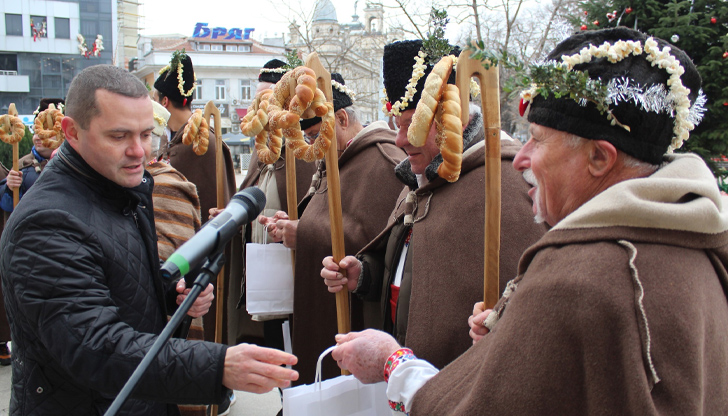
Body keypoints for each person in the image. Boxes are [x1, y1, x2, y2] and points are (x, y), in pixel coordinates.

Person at [331, 28, 728, 415]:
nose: (521, 158)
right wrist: (513, 338)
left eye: (537, 140)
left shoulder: (581, 277)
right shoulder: (691, 247)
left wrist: (392, 362)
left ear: (600, 159)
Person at [0, 64, 298, 416]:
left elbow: (119, 284)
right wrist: (218, 366)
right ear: (72, 132)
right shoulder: (46, 222)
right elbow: (94, 347)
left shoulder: (123, 191)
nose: (138, 151)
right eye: (118, 136)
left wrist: (173, 298)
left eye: (145, 135)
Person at [321, 39, 547, 371]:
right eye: (397, 127)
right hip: (403, 375)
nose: (399, 141)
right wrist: (365, 276)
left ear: (450, 119)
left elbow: (523, 316)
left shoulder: (502, 185)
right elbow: (411, 268)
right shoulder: (421, 177)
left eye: (411, 127)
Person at [259, 73, 406, 383]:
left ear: (341, 118)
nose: (312, 145)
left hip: (355, 315)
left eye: (314, 135)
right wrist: (294, 225)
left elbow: (383, 247)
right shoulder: (335, 157)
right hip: (320, 306)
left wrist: (305, 233)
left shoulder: (384, 159)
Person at [231, 58, 318, 349]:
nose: (261, 104)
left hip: (294, 276)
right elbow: (251, 191)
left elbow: (315, 209)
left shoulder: (302, 147)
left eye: (267, 96)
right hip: (262, 275)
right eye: (258, 97)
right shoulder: (261, 146)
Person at [154, 50, 238, 345]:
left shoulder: (198, 145)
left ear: (164, 102)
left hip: (198, 261)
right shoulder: (175, 143)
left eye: (155, 99)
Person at [0, 98, 64, 213]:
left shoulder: (77, 164)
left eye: (46, 131)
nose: (38, 137)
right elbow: (8, 208)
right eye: (35, 132)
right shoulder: (21, 167)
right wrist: (10, 188)